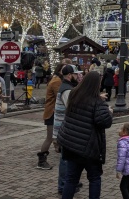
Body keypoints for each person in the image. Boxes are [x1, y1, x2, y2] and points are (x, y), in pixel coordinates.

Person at [57, 71, 113, 198]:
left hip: (71, 145)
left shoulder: (74, 95)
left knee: (71, 179)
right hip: (89, 147)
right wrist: (109, 112)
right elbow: (104, 121)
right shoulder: (97, 102)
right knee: (94, 178)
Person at [53, 64, 82, 195]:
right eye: (76, 74)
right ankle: (63, 184)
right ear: (70, 75)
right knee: (65, 158)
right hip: (64, 128)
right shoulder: (66, 90)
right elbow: (71, 108)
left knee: (70, 157)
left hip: (66, 127)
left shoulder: (68, 87)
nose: (77, 76)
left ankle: (71, 181)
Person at [36, 63, 64, 170]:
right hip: (52, 112)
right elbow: (60, 96)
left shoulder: (57, 79)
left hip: (53, 112)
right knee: (50, 137)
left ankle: (60, 150)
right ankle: (41, 161)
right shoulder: (57, 81)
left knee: (56, 136)